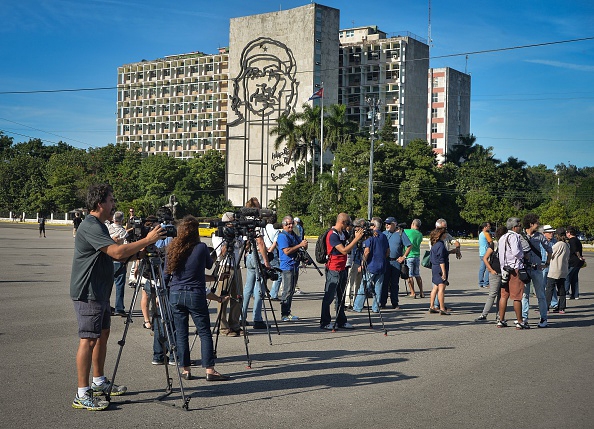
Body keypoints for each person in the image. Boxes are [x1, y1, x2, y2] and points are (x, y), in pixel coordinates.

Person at [71, 183, 166, 411]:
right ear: (99, 203)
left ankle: (98, 381)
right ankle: (82, 393)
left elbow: (113, 255)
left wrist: (138, 253)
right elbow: (115, 252)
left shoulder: (100, 225)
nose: (114, 204)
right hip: (88, 291)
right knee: (89, 339)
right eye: (111, 200)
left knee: (102, 335)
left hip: (100, 291)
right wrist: (147, 240)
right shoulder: (90, 225)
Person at [166, 215, 230, 381]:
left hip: (175, 293)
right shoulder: (201, 247)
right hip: (194, 293)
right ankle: (209, 369)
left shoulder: (172, 247)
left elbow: (179, 273)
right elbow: (208, 265)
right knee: (204, 332)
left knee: (181, 333)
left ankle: (185, 369)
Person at [320, 213, 364, 330]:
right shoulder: (332, 235)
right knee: (329, 297)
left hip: (342, 268)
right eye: (348, 223)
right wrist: (356, 239)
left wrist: (360, 235)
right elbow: (344, 250)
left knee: (341, 296)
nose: (349, 226)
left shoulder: (342, 233)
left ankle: (341, 320)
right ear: (342, 222)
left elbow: (348, 241)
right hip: (333, 269)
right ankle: (325, 322)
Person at [212, 212, 245, 337]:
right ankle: (223, 327)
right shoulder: (218, 234)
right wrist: (227, 239)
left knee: (237, 297)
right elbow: (221, 254)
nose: (233, 225)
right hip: (225, 266)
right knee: (222, 298)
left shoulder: (237, 233)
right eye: (231, 222)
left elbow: (242, 246)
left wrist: (238, 236)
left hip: (236, 267)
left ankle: (235, 324)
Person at [520, 213, 552, 328]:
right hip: (525, 269)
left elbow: (549, 249)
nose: (538, 224)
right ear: (531, 224)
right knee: (525, 295)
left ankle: (544, 318)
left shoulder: (539, 236)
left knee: (540, 295)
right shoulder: (520, 235)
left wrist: (546, 263)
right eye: (537, 222)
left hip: (537, 268)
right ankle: (524, 318)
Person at [352, 218, 389, 313]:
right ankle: (375, 308)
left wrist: (362, 263)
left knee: (364, 286)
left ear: (373, 226)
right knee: (378, 288)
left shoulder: (370, 237)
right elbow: (387, 251)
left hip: (371, 265)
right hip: (381, 265)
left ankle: (357, 306)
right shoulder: (383, 236)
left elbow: (367, 251)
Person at [497, 217, 528, 329]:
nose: (520, 227)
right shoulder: (515, 236)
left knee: (504, 295)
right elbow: (516, 252)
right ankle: (520, 321)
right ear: (515, 227)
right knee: (517, 296)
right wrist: (523, 255)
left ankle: (501, 319)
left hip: (504, 268)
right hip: (514, 268)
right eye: (519, 225)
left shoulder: (502, 237)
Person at [277, 215, 307, 321]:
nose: (290, 226)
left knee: (292, 290)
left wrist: (304, 245)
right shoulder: (282, 236)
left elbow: (301, 244)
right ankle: (284, 314)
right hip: (287, 266)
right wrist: (299, 245)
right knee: (287, 291)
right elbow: (287, 251)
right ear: (283, 225)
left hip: (295, 265)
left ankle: (288, 312)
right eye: (288, 224)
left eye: (291, 224)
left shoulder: (293, 234)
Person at [475, 226, 507, 322]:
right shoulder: (495, 245)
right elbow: (485, 258)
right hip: (496, 272)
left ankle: (499, 316)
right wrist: (490, 269)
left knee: (501, 296)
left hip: (504, 272)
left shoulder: (507, 245)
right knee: (493, 294)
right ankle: (484, 314)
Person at [383, 217, 411, 307]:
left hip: (396, 261)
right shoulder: (384, 234)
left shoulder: (401, 234)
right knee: (384, 283)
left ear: (394, 224)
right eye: (386, 224)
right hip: (386, 261)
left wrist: (404, 257)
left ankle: (395, 303)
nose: (386, 225)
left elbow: (409, 246)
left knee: (394, 283)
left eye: (389, 224)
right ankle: (382, 302)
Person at [108, 211, 129, 317]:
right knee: (119, 285)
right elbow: (126, 247)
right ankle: (119, 308)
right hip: (119, 260)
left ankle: (106, 306)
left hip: (108, 260)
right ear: (122, 220)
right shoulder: (123, 232)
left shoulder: (108, 229)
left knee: (107, 285)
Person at [546, 228, 569, 314]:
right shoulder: (567, 245)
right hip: (563, 270)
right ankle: (561, 307)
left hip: (554, 269)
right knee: (562, 289)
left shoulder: (557, 245)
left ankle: (546, 307)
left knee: (549, 289)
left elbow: (550, 253)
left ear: (557, 236)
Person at [428, 227, 451, 315]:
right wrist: (444, 272)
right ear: (442, 235)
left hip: (434, 267)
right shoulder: (441, 245)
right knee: (441, 288)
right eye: (445, 233)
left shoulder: (435, 244)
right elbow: (441, 260)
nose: (446, 235)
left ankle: (432, 306)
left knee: (435, 287)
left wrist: (450, 252)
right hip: (439, 267)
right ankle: (442, 308)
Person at [345, 218, 366, 308]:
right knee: (350, 283)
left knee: (359, 283)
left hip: (360, 261)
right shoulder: (350, 235)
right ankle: (347, 302)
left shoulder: (363, 236)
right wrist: (356, 238)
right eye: (362, 227)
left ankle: (356, 302)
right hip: (352, 261)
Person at [404, 219, 424, 298]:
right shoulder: (420, 234)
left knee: (409, 275)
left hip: (409, 255)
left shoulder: (408, 231)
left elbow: (400, 231)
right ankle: (421, 292)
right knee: (417, 274)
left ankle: (413, 292)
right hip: (417, 255)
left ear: (413, 224)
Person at [264, 215, 283, 300]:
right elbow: (275, 243)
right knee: (278, 274)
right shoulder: (276, 230)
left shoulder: (263, 228)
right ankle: (273, 294)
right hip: (272, 253)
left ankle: (260, 291)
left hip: (262, 251)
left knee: (263, 273)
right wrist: (270, 251)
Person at [565, 226, 585, 300]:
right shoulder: (577, 240)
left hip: (573, 261)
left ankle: (566, 293)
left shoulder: (572, 240)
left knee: (567, 277)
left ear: (569, 233)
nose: (566, 234)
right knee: (574, 278)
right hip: (578, 263)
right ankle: (575, 294)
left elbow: (576, 250)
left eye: (567, 232)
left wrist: (579, 256)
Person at [541, 225, 558, 310]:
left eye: (552, 232)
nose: (552, 234)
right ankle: (544, 303)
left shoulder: (555, 241)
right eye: (550, 232)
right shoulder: (540, 241)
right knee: (542, 285)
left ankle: (554, 303)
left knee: (552, 284)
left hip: (552, 264)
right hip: (543, 264)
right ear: (544, 233)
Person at [478, 222, 493, 288]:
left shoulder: (481, 233)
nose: (490, 227)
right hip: (486, 252)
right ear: (485, 227)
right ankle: (486, 283)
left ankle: (480, 282)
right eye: (488, 226)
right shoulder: (486, 234)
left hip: (481, 252)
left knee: (482, 268)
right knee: (488, 268)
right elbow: (491, 243)